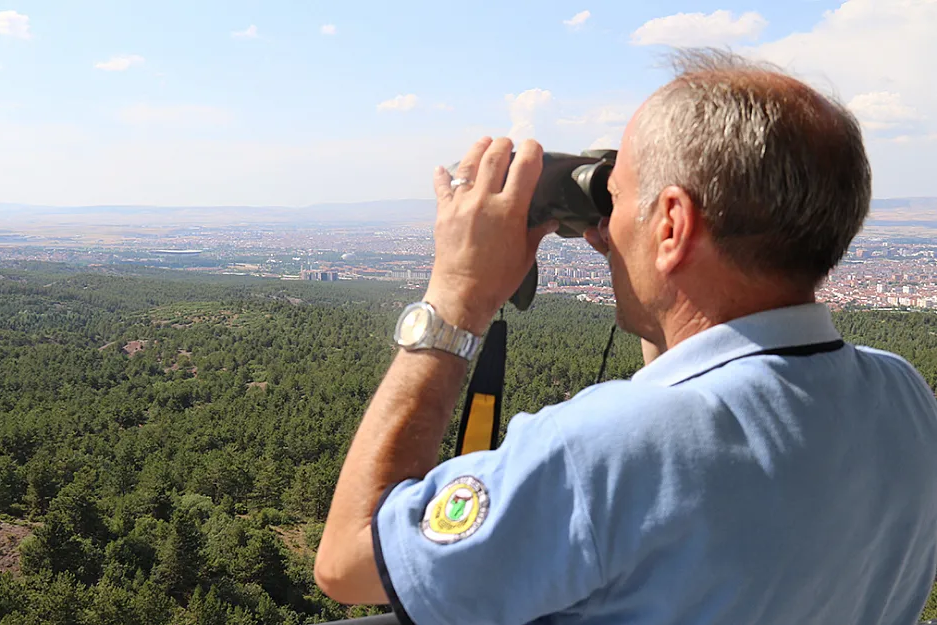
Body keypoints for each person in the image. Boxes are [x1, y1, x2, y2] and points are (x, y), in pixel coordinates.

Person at [314, 48, 937, 625]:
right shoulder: (904, 400)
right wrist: (654, 277)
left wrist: (457, 295)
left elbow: (348, 559)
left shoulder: (600, 454)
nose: (605, 226)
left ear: (672, 223)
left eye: (614, 200)